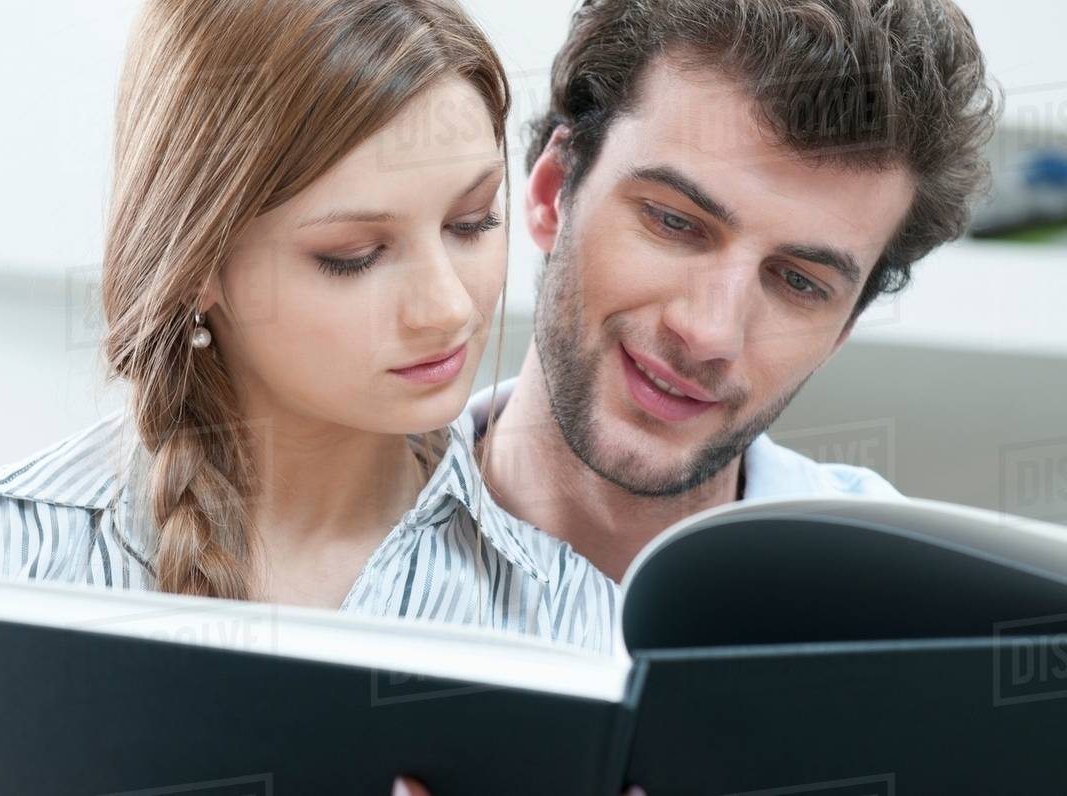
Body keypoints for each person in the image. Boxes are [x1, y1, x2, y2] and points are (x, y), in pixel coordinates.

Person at [0, 1, 618, 791]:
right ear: (197, 260)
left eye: (472, 222)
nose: (449, 307)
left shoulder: (577, 632)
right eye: (354, 256)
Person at [398, 0, 997, 792]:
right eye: (675, 223)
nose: (710, 331)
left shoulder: (927, 631)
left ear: (841, 331)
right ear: (550, 193)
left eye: (797, 282)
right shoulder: (303, 560)